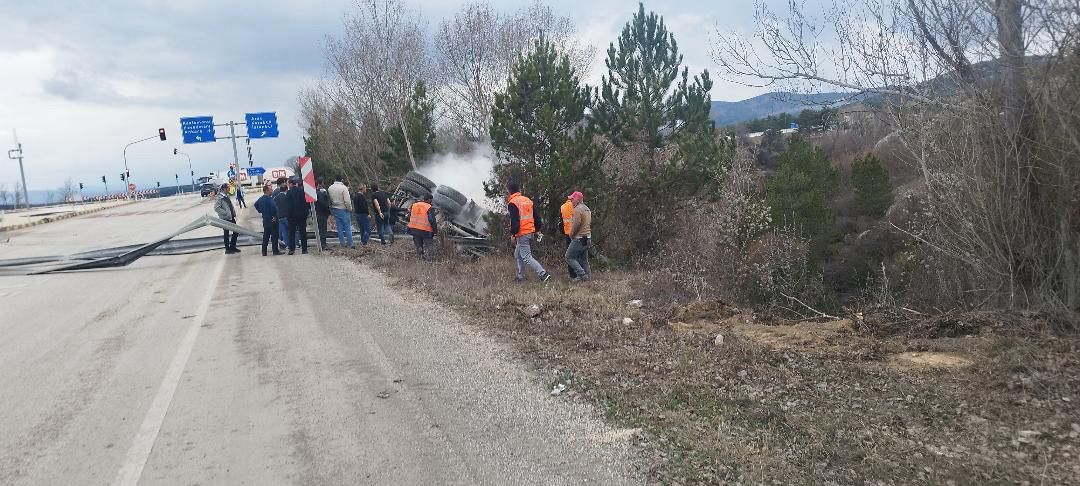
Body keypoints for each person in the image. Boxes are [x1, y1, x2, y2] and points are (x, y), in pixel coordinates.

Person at [507, 182, 550, 282]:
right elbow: (537, 218)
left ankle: (543, 274)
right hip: (529, 232)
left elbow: (515, 221)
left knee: (526, 257)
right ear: (519, 190)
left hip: (522, 233)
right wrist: (537, 230)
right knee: (517, 254)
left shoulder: (513, 203)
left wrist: (513, 234)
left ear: (509, 191)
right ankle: (521, 277)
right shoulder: (528, 200)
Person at [564, 191, 592, 282]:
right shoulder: (587, 209)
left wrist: (571, 234)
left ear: (578, 199)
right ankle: (589, 278)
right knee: (584, 260)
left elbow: (576, 224)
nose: (571, 201)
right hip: (587, 238)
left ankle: (582, 275)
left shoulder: (577, 210)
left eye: (572, 199)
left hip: (579, 238)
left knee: (569, 257)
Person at [254, 184, 282, 256]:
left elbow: (256, 205)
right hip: (272, 220)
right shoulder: (270, 199)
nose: (272, 191)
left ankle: (264, 251)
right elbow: (275, 209)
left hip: (265, 220)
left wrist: (260, 210)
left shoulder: (260, 199)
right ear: (267, 191)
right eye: (270, 190)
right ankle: (275, 251)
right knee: (274, 236)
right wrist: (275, 216)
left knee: (266, 236)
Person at [407, 193, 437, 260]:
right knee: (429, 245)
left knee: (418, 245)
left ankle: (420, 258)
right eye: (431, 200)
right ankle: (430, 259)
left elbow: (409, 217)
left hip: (414, 229)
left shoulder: (414, 205)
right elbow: (432, 220)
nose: (431, 202)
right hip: (425, 230)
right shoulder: (429, 207)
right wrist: (435, 231)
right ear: (429, 200)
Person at [212, 184, 240, 254]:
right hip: (225, 218)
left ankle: (232, 247)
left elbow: (230, 205)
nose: (229, 189)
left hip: (230, 217)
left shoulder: (226, 196)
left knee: (236, 231)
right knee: (226, 234)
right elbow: (216, 208)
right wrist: (225, 213)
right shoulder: (219, 197)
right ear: (224, 189)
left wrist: (233, 213)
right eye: (228, 188)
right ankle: (227, 249)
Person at [328, 176, 355, 249]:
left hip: (335, 208)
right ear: (342, 180)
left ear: (335, 179)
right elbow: (347, 201)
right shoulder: (344, 188)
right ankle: (350, 243)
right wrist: (350, 208)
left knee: (339, 228)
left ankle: (342, 243)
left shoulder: (330, 188)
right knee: (347, 227)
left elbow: (330, 199)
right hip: (343, 208)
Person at [286, 178, 309, 254]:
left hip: (292, 216)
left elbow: (288, 206)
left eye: (288, 184)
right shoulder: (302, 191)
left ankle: (292, 249)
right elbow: (306, 204)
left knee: (291, 233)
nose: (288, 185)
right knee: (303, 232)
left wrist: (288, 216)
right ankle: (304, 249)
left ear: (291, 184)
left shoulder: (289, 193)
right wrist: (306, 214)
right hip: (302, 215)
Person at [272, 177, 294, 249]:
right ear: (283, 183)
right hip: (285, 214)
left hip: (279, 215)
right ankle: (290, 244)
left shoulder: (274, 192)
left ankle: (283, 244)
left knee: (282, 231)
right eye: (285, 182)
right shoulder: (282, 192)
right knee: (289, 230)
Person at [560, 194, 577, 278]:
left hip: (567, 234)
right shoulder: (577, 206)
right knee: (577, 254)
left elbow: (561, 223)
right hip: (576, 233)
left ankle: (572, 274)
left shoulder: (563, 207)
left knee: (569, 255)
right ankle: (580, 273)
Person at [314, 178, 331, 250]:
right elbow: (323, 204)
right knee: (323, 229)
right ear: (320, 184)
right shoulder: (320, 194)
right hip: (322, 213)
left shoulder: (314, 193)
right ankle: (323, 244)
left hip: (317, 213)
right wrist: (328, 210)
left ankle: (321, 243)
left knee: (320, 229)